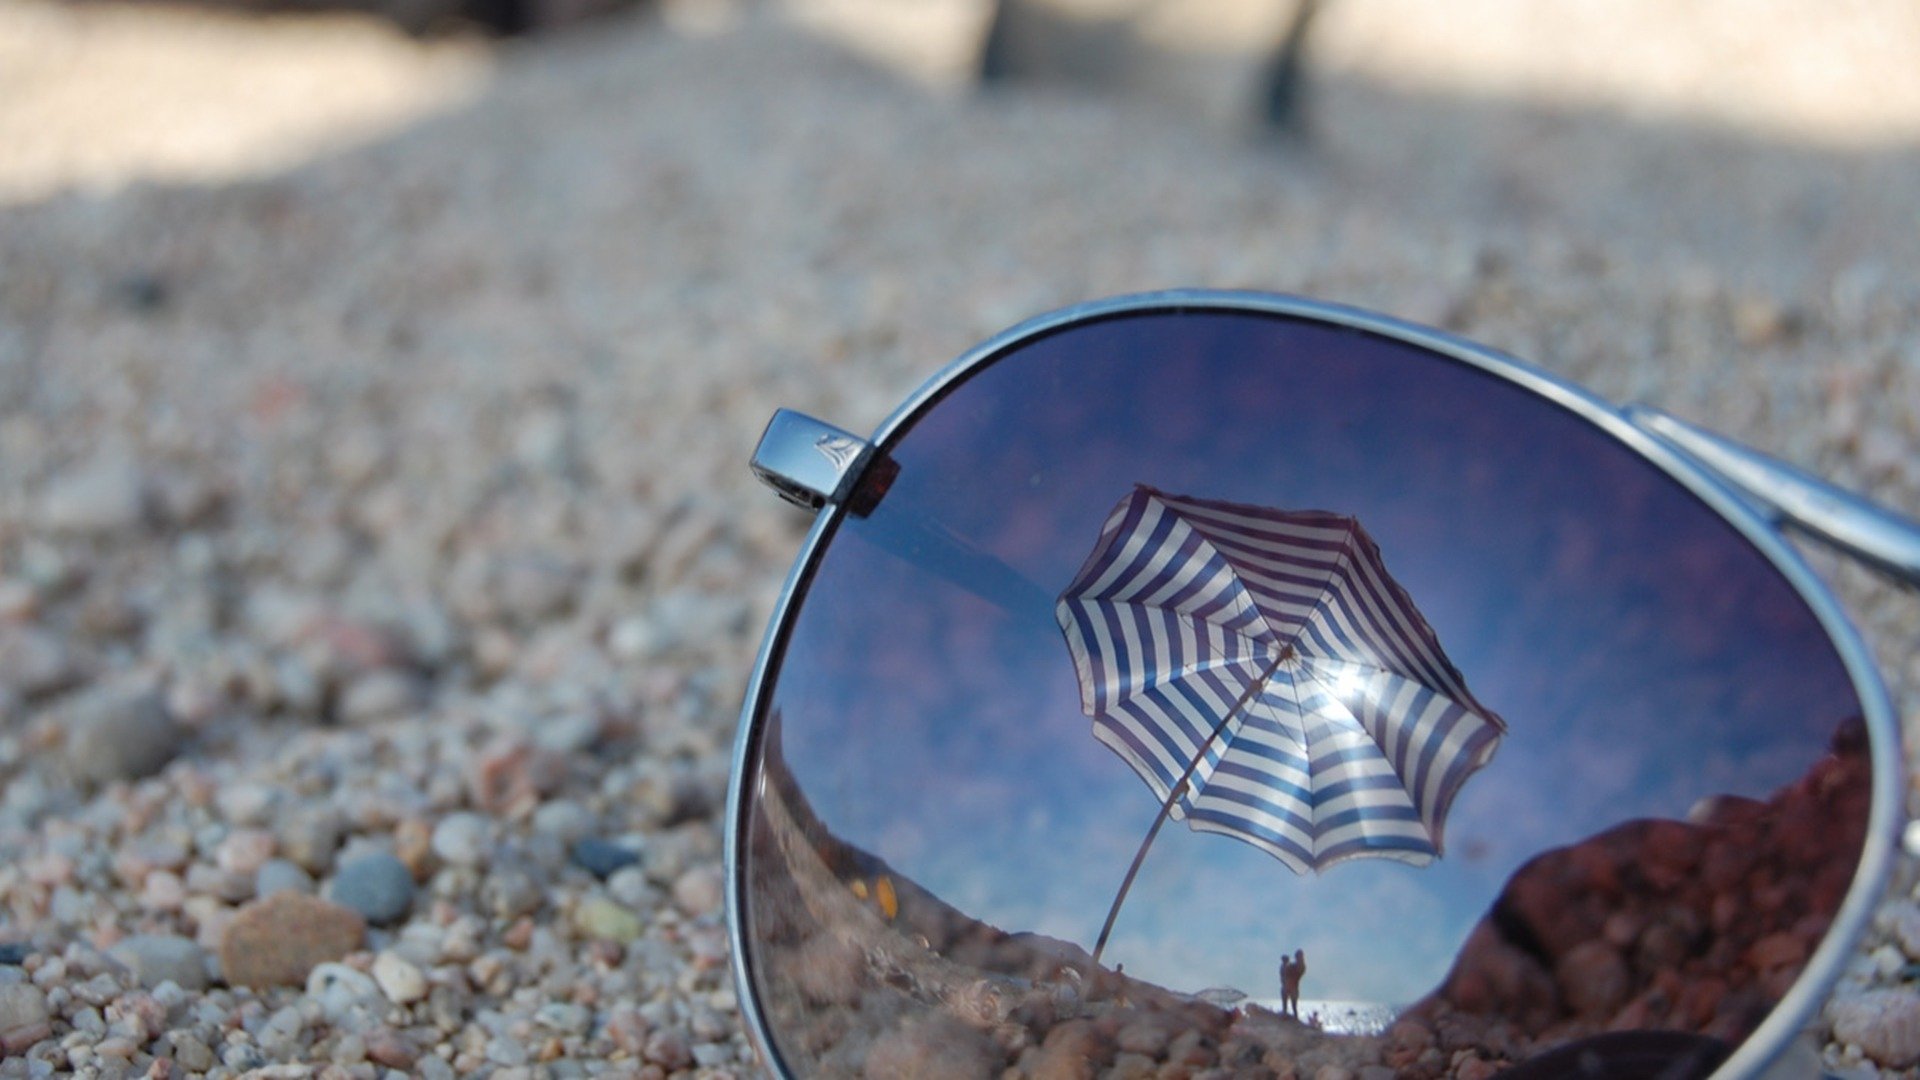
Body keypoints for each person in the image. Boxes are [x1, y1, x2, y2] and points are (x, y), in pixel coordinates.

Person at [1279, 948, 1306, 1018]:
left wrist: (1286, 963)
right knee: (1286, 1002)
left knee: (1293, 1004)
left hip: (1293, 987)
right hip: (1288, 985)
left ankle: (1293, 1016)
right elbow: (1286, 971)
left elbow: (1296, 970)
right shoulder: (1293, 965)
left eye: (1298, 956)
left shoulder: (1300, 966)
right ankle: (1285, 1014)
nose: (1297, 958)